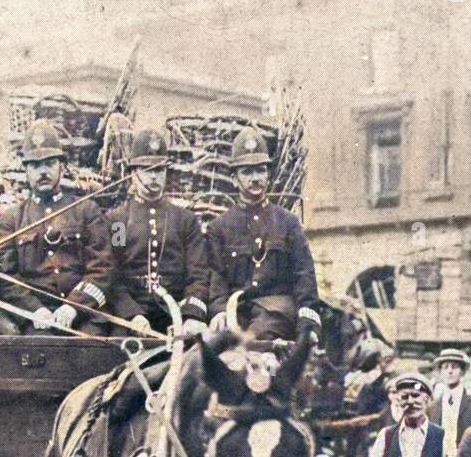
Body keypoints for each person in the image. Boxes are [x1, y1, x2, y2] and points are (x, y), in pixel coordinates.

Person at [0, 120, 112, 335]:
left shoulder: (86, 210)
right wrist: (35, 310)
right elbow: (6, 277)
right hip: (37, 319)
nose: (43, 171)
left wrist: (74, 307)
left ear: (61, 167)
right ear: (25, 170)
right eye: (35, 165)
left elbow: (103, 268)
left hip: (85, 314)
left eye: (49, 163)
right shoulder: (12, 219)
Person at [206, 127, 321, 345]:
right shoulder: (219, 227)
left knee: (255, 341)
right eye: (247, 172)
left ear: (268, 174)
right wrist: (219, 311)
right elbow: (217, 278)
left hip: (278, 311)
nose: (255, 178)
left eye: (260, 171)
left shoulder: (287, 222)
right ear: (234, 179)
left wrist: (307, 319)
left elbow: (304, 275)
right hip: (237, 312)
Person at [107, 129, 210, 336]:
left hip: (175, 315)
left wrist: (191, 316)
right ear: (132, 173)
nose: (153, 176)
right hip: (131, 318)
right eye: (147, 169)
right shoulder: (118, 221)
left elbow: (198, 274)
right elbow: (113, 274)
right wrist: (131, 314)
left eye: (159, 170)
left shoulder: (185, 221)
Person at [428, 348, 471, 457]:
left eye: (454, 367)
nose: (450, 371)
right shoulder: (432, 408)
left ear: (462, 371)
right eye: (445, 367)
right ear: (440, 372)